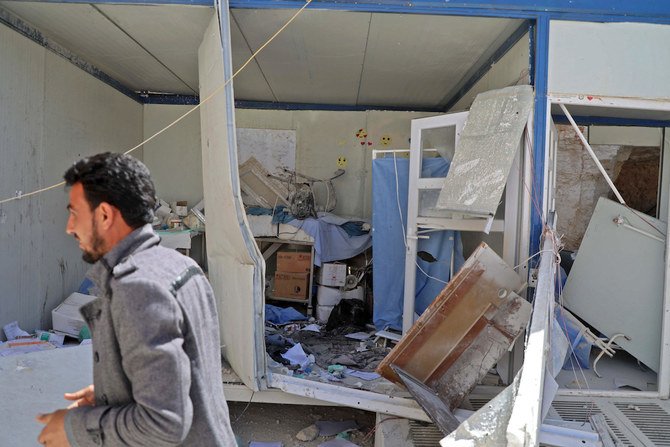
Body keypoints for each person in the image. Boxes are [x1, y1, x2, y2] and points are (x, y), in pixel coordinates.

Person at [36, 152, 236, 446]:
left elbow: (164, 423)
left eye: (74, 213)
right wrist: (113, 390)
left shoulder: (137, 287)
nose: (69, 227)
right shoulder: (182, 265)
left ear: (104, 215)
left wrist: (74, 428)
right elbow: (187, 378)